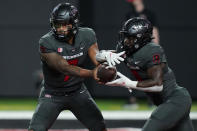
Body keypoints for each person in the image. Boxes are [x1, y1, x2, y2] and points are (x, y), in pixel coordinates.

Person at [28, 3, 124, 131]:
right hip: (52, 94)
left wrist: (105, 58)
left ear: (74, 23)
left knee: (99, 126)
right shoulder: (46, 42)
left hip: (77, 92)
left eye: (65, 24)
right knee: (36, 129)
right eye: (57, 24)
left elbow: (96, 58)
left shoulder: (87, 35)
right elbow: (64, 68)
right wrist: (92, 73)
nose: (61, 28)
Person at [106, 17, 194, 131]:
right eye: (125, 37)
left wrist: (128, 83)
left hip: (175, 99)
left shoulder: (151, 50)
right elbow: (107, 56)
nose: (126, 41)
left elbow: (158, 85)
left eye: (130, 38)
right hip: (165, 102)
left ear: (141, 38)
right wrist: (104, 55)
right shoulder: (126, 49)